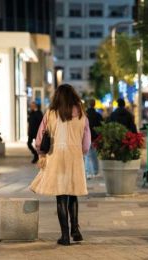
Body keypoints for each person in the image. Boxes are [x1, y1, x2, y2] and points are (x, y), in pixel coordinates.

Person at [30, 84, 91, 246]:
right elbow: (86, 144)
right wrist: (81, 152)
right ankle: (76, 230)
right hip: (75, 157)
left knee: (61, 196)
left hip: (56, 157)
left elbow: (39, 139)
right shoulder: (82, 115)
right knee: (73, 193)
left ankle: (65, 236)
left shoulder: (50, 114)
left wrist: (40, 154)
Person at [85, 99, 103, 178]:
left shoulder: (84, 115)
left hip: (86, 137)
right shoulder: (98, 115)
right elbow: (102, 126)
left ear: (88, 105)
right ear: (94, 105)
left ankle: (88, 173)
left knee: (87, 156)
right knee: (95, 155)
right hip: (95, 138)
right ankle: (96, 172)